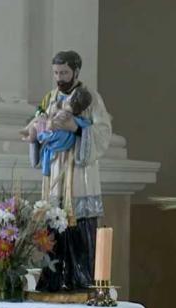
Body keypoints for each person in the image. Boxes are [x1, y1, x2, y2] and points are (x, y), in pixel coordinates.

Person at [24, 50, 113, 292]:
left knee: (79, 226)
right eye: (56, 72)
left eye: (64, 72)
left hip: (79, 174)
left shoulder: (90, 98)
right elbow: (39, 123)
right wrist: (35, 135)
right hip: (55, 168)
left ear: (75, 71)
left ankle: (81, 279)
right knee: (54, 224)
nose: (59, 77)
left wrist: (76, 128)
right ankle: (53, 278)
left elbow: (104, 132)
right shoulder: (49, 98)